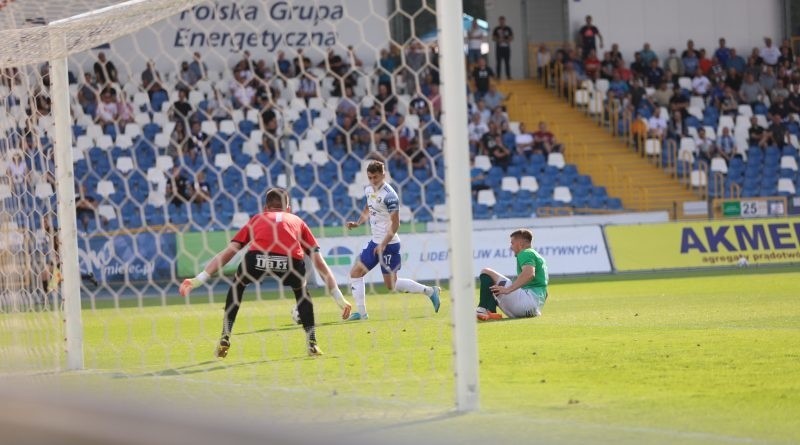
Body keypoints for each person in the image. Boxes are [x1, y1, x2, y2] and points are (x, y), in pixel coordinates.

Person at [179, 188, 328, 357]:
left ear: (265, 208)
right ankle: (312, 343)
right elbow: (319, 261)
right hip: (290, 261)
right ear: (289, 208)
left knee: (237, 286)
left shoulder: (258, 218)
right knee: (302, 292)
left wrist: (198, 280)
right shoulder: (297, 220)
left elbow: (230, 251)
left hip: (257, 258)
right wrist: (339, 296)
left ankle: (225, 335)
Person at [343, 161, 441, 321]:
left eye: (376, 177)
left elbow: (396, 224)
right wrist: (358, 222)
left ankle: (430, 291)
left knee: (391, 285)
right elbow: (369, 208)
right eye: (370, 177)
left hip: (389, 244)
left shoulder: (390, 195)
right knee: (355, 272)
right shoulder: (368, 189)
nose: (373, 181)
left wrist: (383, 244)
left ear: (383, 175)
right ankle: (361, 313)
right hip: (375, 242)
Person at [475, 229, 548, 321]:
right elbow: (545, 291)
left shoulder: (525, 253)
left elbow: (529, 274)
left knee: (486, 271)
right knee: (497, 286)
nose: (511, 247)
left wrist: (508, 289)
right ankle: (491, 313)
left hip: (526, 303)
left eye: (512, 243)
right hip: (533, 309)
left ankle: (483, 309)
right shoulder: (538, 257)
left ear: (520, 243)